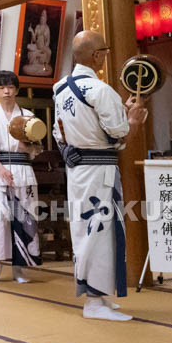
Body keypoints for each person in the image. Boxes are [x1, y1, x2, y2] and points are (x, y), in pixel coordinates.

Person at [52, 30, 146, 322]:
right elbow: (120, 135)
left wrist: (120, 111)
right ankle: (94, 302)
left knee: (86, 229)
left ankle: (100, 295)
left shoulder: (60, 89)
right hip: (99, 170)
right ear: (96, 56)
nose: (105, 56)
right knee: (100, 231)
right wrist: (133, 120)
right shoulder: (101, 90)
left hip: (78, 169)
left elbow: (60, 132)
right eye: (103, 52)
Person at [0, 71, 42, 283]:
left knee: (25, 216)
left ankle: (19, 268)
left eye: (10, 87)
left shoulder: (28, 116)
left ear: (16, 90)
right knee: (0, 215)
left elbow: (37, 148)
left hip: (24, 169)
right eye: (2, 87)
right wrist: (1, 169)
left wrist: (28, 147)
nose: (6, 91)